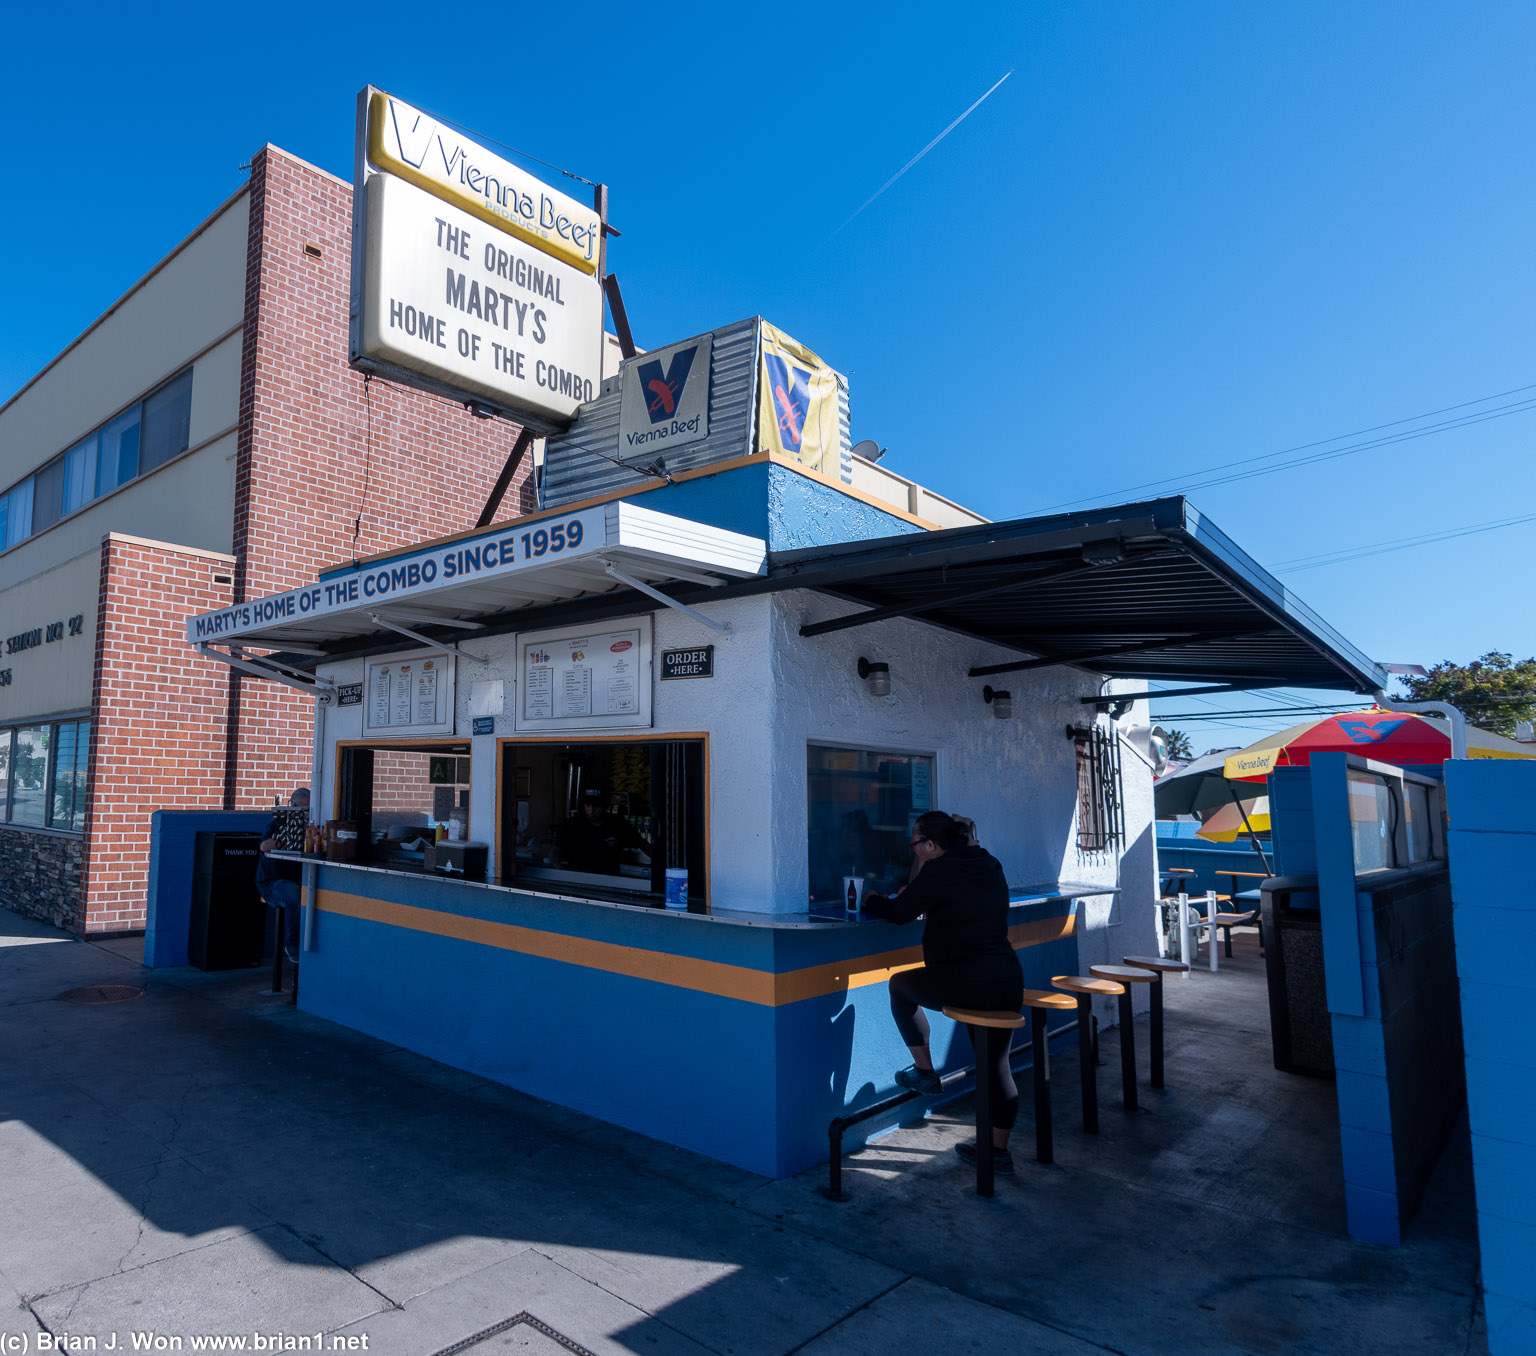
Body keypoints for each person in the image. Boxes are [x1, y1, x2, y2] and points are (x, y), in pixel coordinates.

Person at [861, 810, 1024, 1175]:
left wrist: (870, 898)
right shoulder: (989, 863)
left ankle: (924, 1071)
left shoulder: (939, 869)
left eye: (916, 843)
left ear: (931, 844)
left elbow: (901, 912)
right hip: (1005, 979)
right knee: (997, 1067)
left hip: (964, 981)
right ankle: (998, 1151)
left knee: (900, 986)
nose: (914, 850)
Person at [257, 787, 309, 964]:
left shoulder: (310, 826)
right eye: (300, 808)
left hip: (295, 880)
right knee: (295, 895)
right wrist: (286, 845)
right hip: (271, 884)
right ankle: (292, 946)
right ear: (291, 805)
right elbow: (264, 846)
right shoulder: (278, 823)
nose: (303, 813)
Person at [554, 786, 650, 875]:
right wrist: (563, 874)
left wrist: (662, 864)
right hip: (579, 881)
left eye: (596, 806)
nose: (590, 810)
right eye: (588, 805)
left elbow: (642, 844)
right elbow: (554, 852)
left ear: (606, 806)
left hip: (609, 882)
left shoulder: (618, 823)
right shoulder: (572, 824)